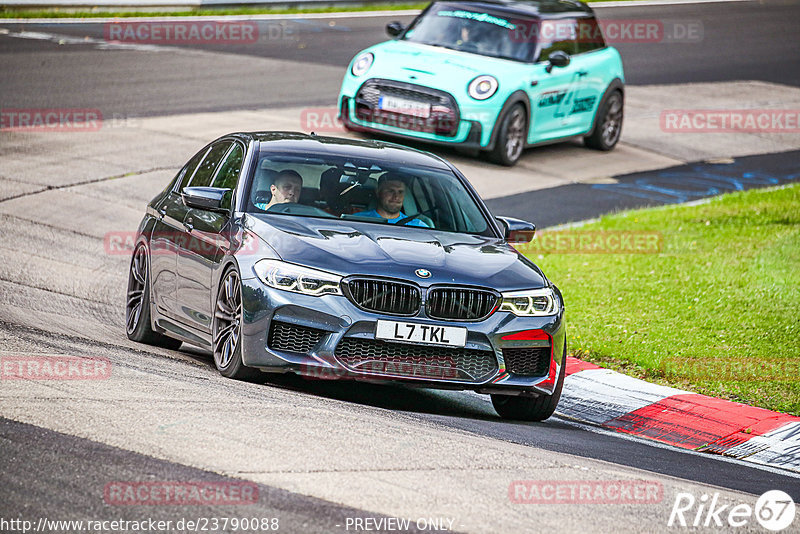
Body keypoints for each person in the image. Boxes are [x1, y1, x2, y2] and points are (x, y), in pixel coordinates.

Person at [354, 173, 429, 227]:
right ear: (378, 192)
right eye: (391, 191)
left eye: (400, 192)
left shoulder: (417, 226)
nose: (396, 197)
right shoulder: (357, 220)